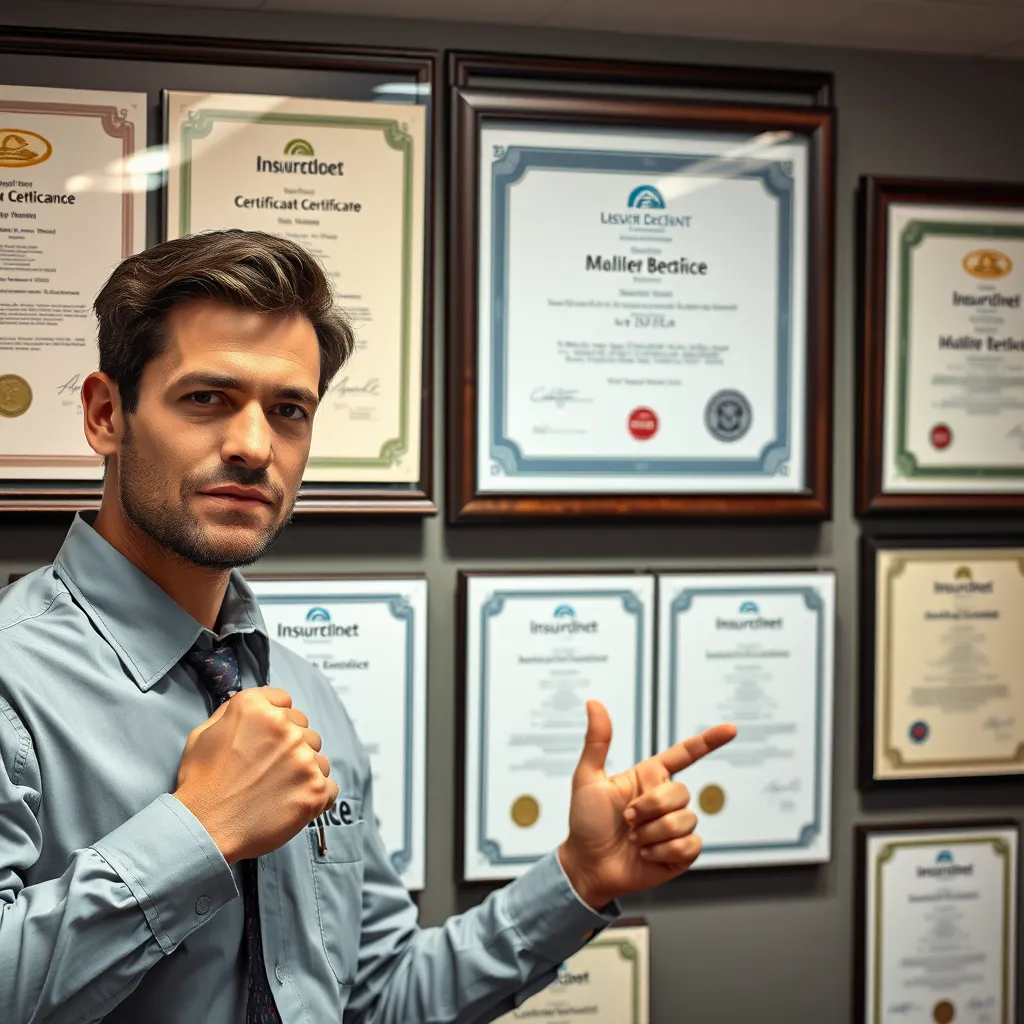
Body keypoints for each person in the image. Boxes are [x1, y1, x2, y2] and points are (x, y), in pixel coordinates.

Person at [0, 230, 736, 1023]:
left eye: (288, 411)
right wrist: (199, 831)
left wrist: (579, 879)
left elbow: (376, 998)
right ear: (108, 414)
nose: (254, 446)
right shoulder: (14, 684)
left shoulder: (301, 694)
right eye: (206, 398)